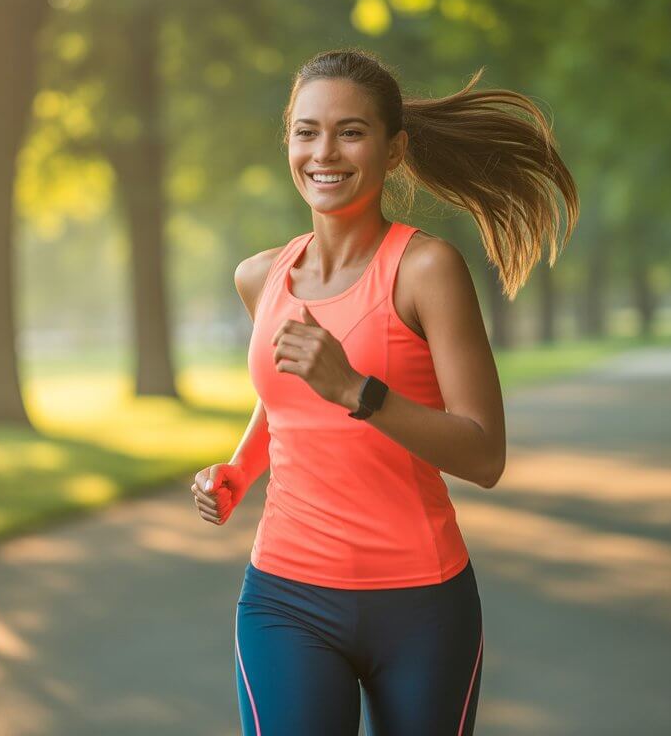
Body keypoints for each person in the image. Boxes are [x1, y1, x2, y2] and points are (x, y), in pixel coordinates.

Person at [191, 48, 579, 735]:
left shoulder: (426, 269)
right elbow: (286, 394)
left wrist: (357, 391)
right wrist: (240, 470)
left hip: (421, 605)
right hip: (285, 597)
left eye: (351, 131)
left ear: (393, 150)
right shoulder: (260, 276)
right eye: (307, 131)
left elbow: (485, 455)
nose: (324, 152)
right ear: (288, 141)